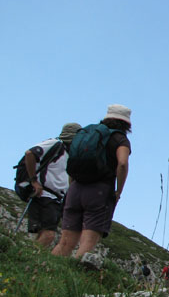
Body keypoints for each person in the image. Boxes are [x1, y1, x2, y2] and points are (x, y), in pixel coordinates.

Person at [52, 104, 132, 259]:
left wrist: (72, 187)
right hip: (99, 192)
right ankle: (71, 280)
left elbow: (73, 164)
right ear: (126, 124)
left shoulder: (88, 133)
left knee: (64, 243)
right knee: (87, 244)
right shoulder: (120, 139)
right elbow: (122, 163)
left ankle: (45, 272)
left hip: (75, 189)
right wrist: (118, 191)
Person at [23, 123, 80, 247]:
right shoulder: (55, 144)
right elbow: (29, 153)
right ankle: (31, 260)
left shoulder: (67, 153)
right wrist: (34, 181)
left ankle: (30, 257)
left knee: (45, 233)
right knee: (48, 234)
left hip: (55, 198)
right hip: (45, 194)